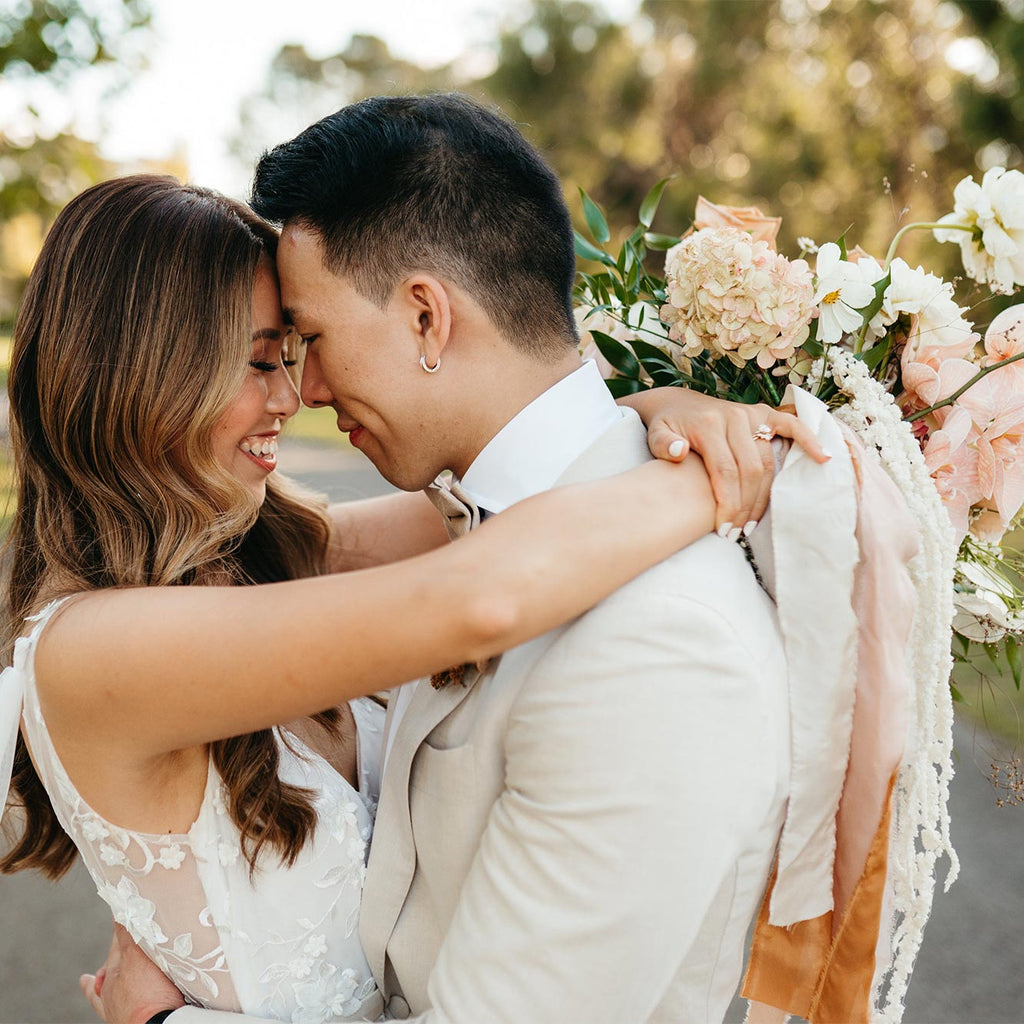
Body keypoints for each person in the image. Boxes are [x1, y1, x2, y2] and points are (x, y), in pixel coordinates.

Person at [0, 175, 815, 1022]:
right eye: (257, 361)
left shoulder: (264, 557)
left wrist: (651, 414)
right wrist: (723, 481)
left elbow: (513, 496)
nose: (290, 394)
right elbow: (477, 596)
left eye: (291, 353)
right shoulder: (92, 651)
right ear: (142, 375)